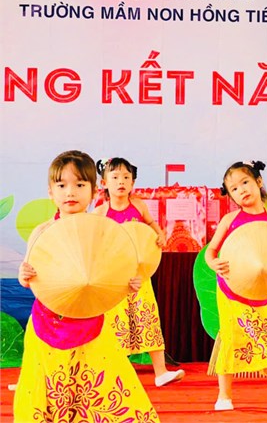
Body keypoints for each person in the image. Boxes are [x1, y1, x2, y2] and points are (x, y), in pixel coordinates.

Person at [14, 150, 160, 422]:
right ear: (50, 192)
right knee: (51, 386)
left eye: (80, 184)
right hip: (48, 321)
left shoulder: (103, 230)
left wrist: (130, 284)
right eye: (62, 185)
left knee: (104, 383)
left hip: (92, 320)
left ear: (94, 191)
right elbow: (28, 276)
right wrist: (24, 274)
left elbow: (116, 271)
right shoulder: (42, 232)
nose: (70, 192)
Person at [205, 161, 267, 411]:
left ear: (258, 182)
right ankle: (224, 397)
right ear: (230, 195)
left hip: (262, 291)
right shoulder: (230, 219)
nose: (241, 190)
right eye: (234, 188)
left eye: (245, 182)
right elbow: (211, 250)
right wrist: (213, 263)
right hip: (232, 290)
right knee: (231, 339)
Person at [93, 157, 184, 387]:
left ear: (133, 183)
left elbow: (152, 226)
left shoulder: (139, 206)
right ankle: (118, 373)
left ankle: (161, 372)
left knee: (148, 318)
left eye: (126, 177)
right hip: (114, 279)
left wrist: (159, 235)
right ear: (104, 183)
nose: (121, 182)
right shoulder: (100, 212)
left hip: (139, 275)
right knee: (117, 323)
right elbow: (94, 242)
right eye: (115, 177)